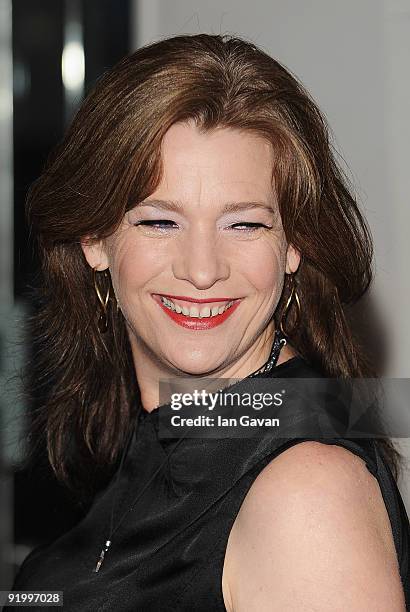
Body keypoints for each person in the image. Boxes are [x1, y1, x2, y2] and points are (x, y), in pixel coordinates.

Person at [6, 33, 409, 611]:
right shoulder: (161, 435)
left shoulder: (307, 492)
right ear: (95, 238)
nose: (201, 271)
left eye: (243, 225)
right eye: (159, 223)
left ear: (292, 245)